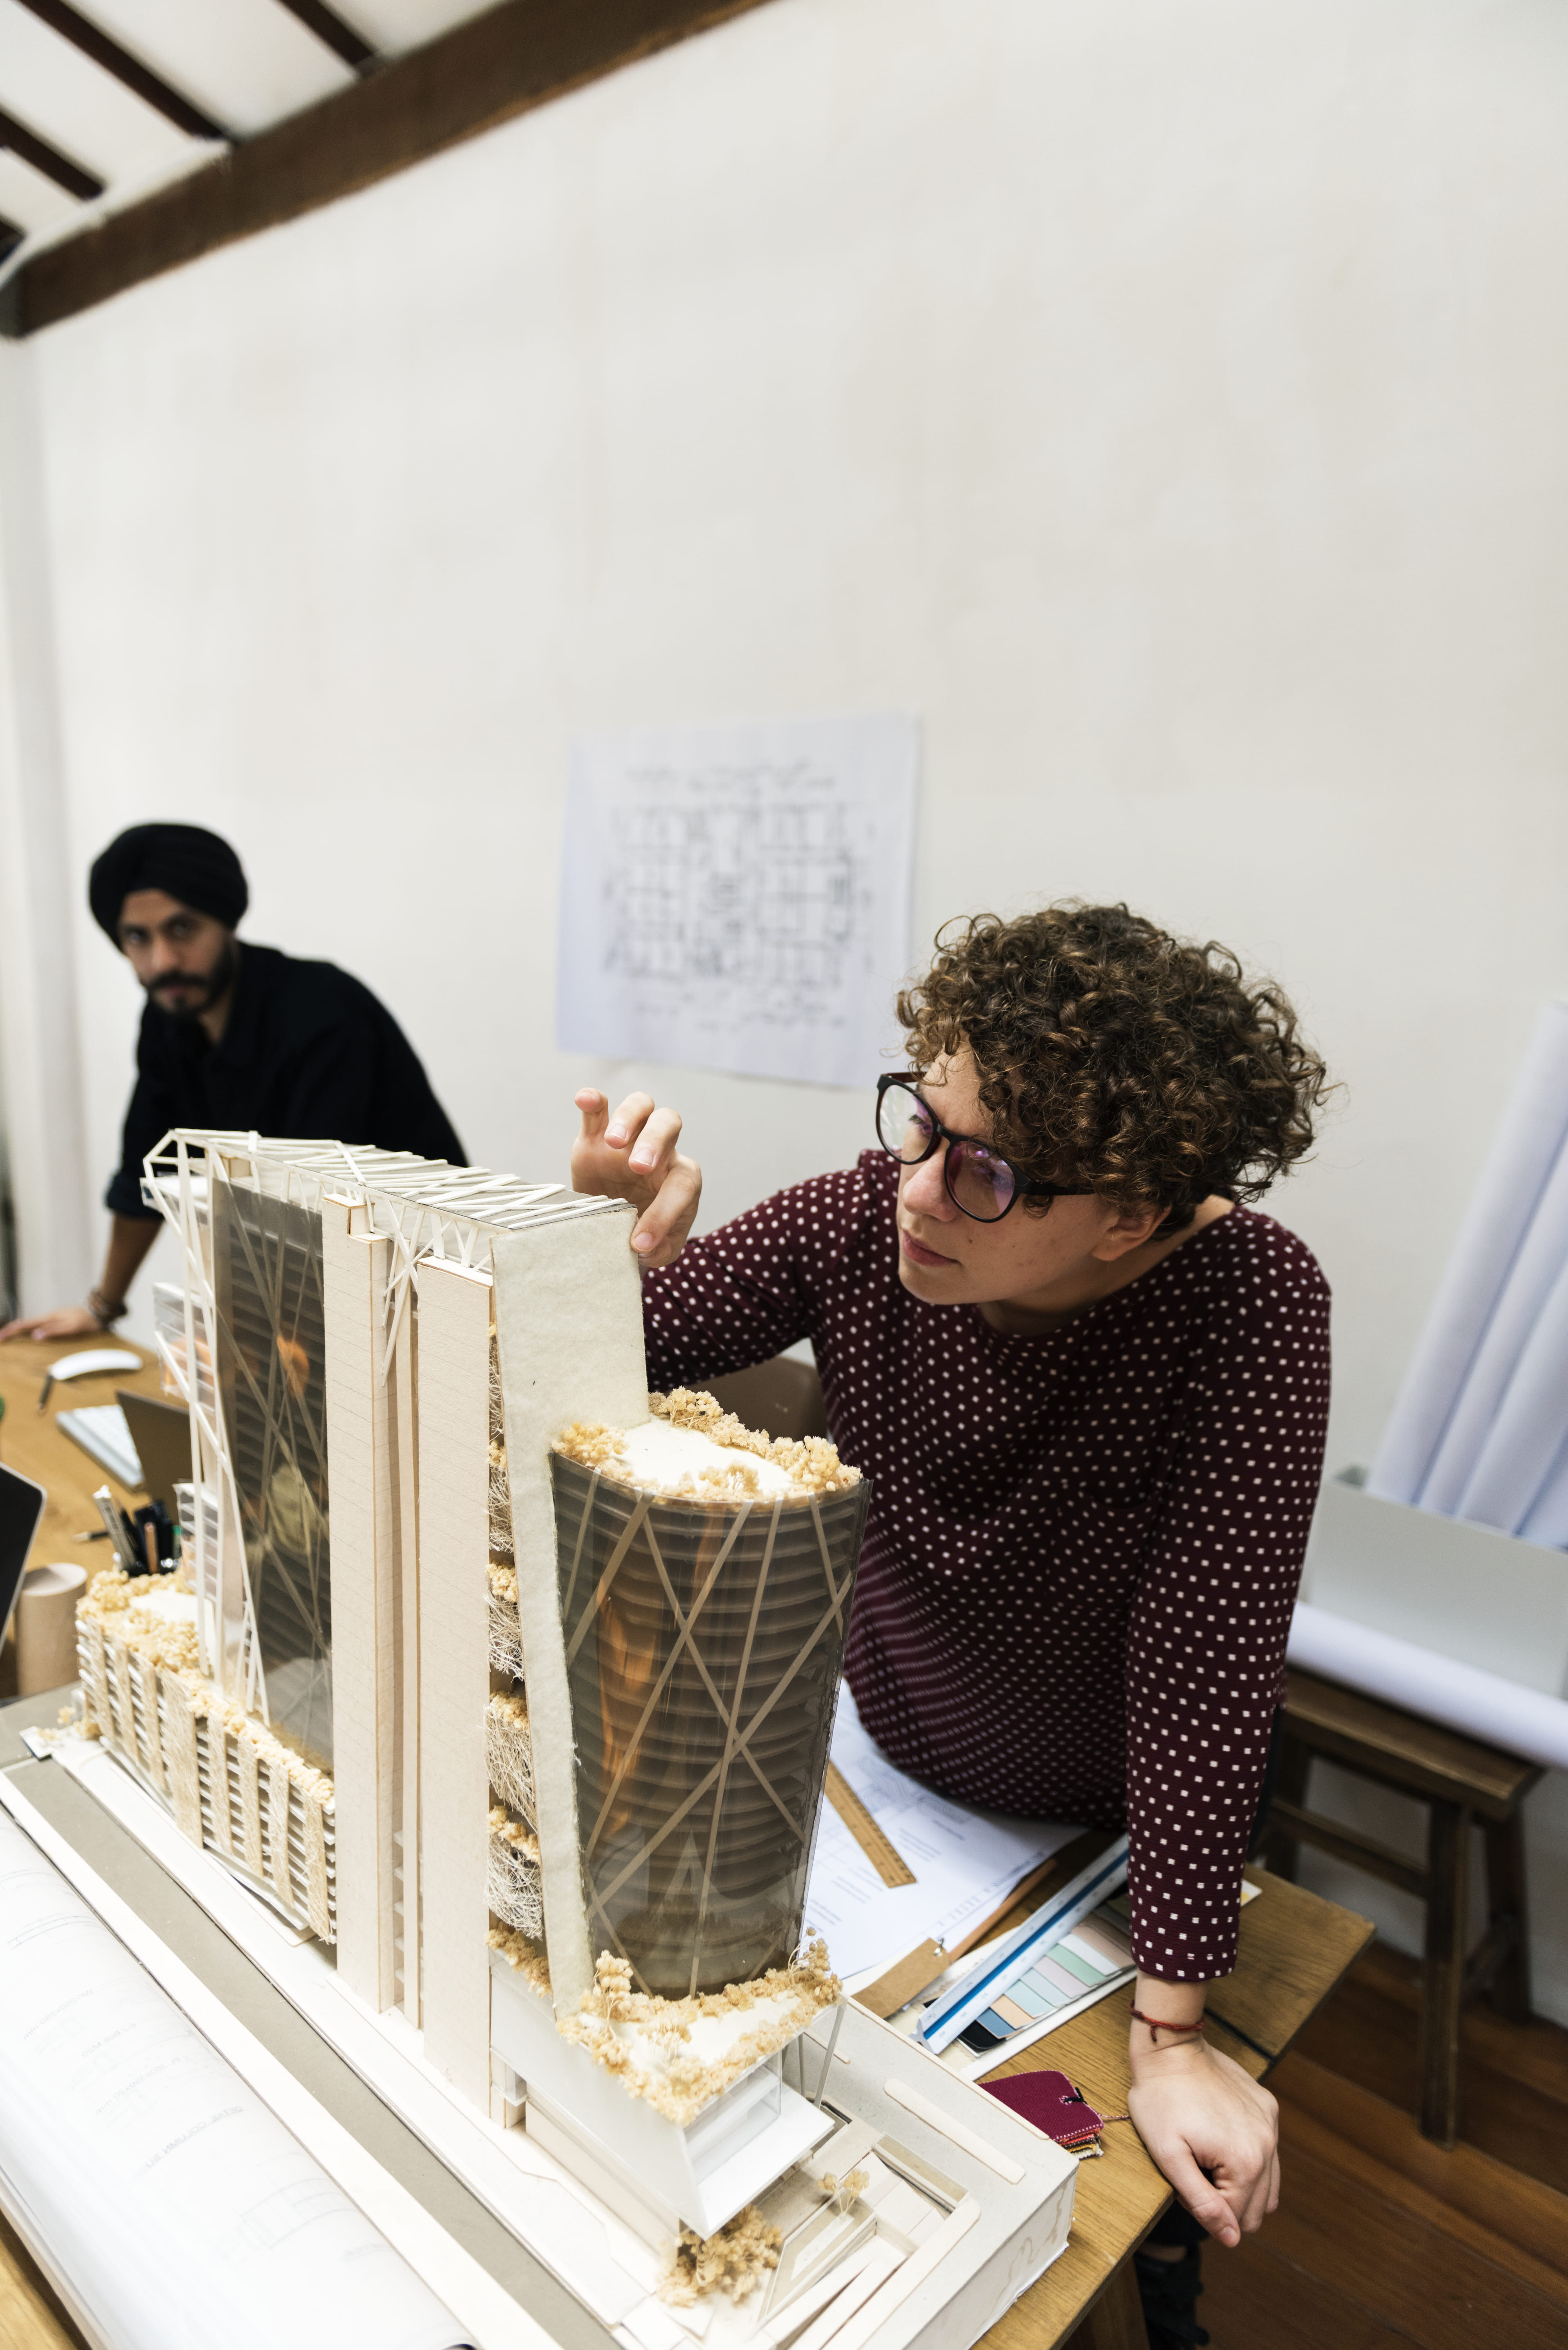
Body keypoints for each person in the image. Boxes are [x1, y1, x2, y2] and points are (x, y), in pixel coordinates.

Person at [568, 901, 1332, 2350]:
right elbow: (626, 1358)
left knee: (1109, 2186)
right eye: (921, 1125)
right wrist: (593, 1252)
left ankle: (1160, 2277)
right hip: (885, 1755)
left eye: (986, 1173)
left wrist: (1173, 2037)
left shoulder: (1251, 1306)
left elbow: (1205, 1664)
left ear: (1134, 1217)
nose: (919, 1186)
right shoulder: (868, 1216)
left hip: (1097, 1827)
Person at [0, 822, 465, 1345]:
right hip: (316, 1290)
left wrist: (249, 1342)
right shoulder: (168, 1022)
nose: (163, 962)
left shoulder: (324, 1013)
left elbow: (316, 1206)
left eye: (181, 930)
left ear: (225, 921)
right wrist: (102, 1306)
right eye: (138, 938)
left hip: (424, 1285)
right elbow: (144, 1173)